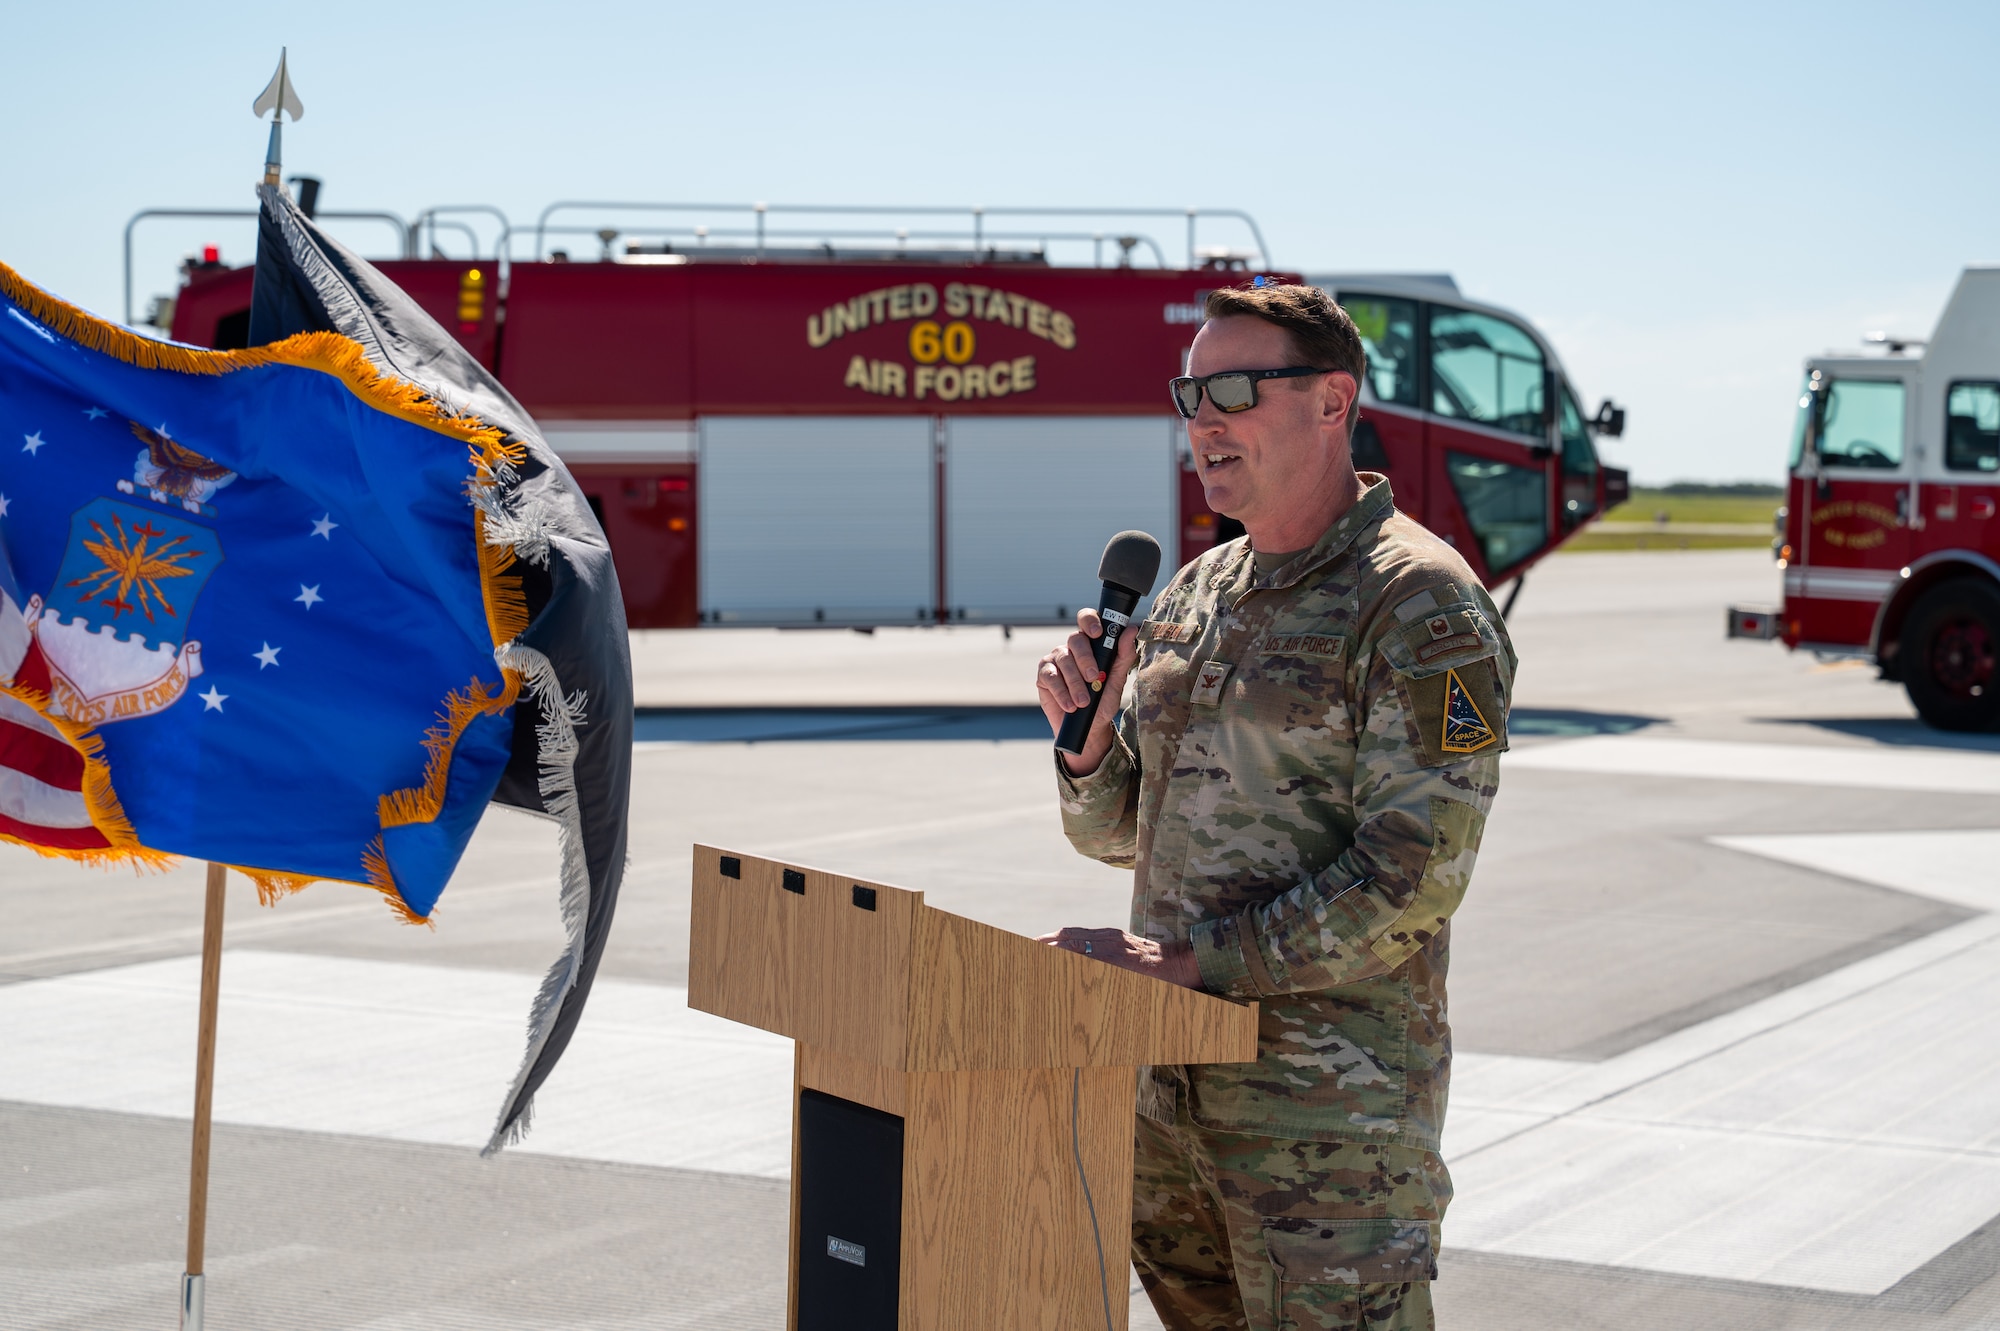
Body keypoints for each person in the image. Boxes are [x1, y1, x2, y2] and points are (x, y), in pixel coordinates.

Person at [1035, 282, 1514, 1331]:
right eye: (1188, 392)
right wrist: (1086, 753)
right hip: (1168, 1108)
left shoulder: (1419, 605)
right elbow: (1126, 832)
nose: (1201, 420)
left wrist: (1183, 964)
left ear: (1331, 400)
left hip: (1322, 1135)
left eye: (1235, 390)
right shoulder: (1196, 589)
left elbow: (1410, 881)